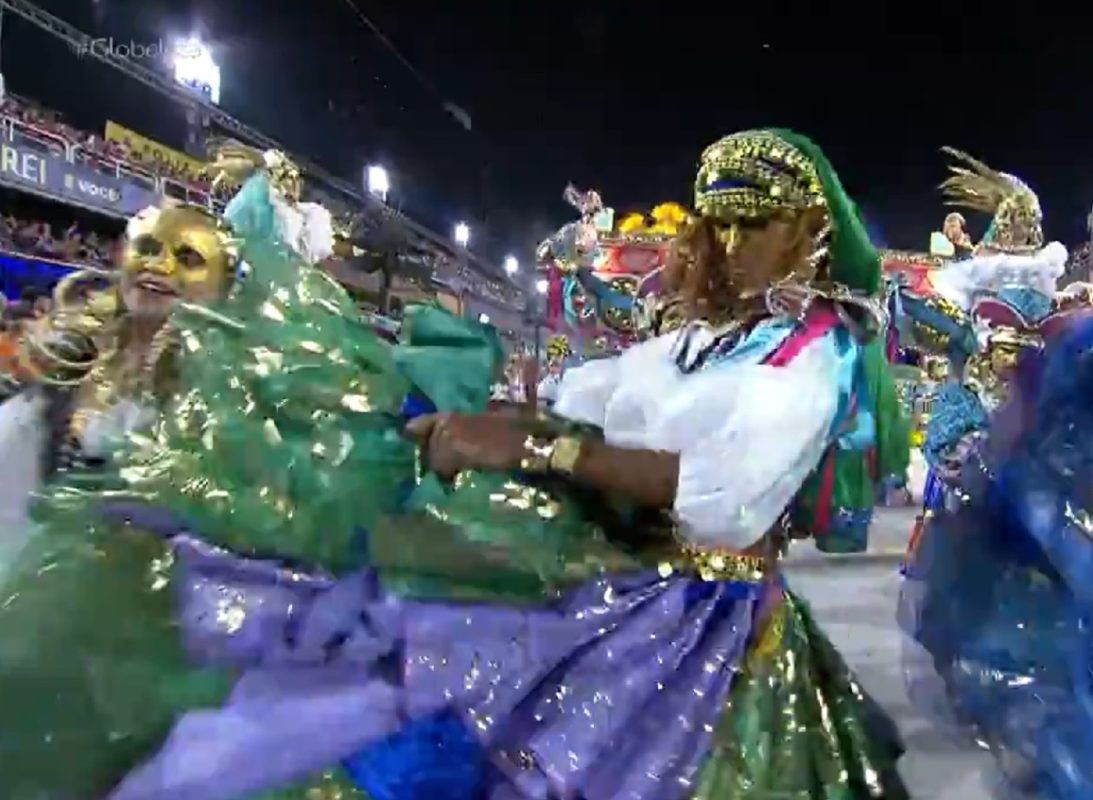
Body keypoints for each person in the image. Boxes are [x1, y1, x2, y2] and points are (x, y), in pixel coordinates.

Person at [45, 129, 908, 800]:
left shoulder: (818, 348)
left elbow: (728, 501)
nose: (727, 241)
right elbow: (582, 401)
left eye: (753, 221)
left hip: (701, 626)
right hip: (617, 569)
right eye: (714, 219)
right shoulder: (693, 341)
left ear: (809, 232)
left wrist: (538, 447)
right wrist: (451, 417)